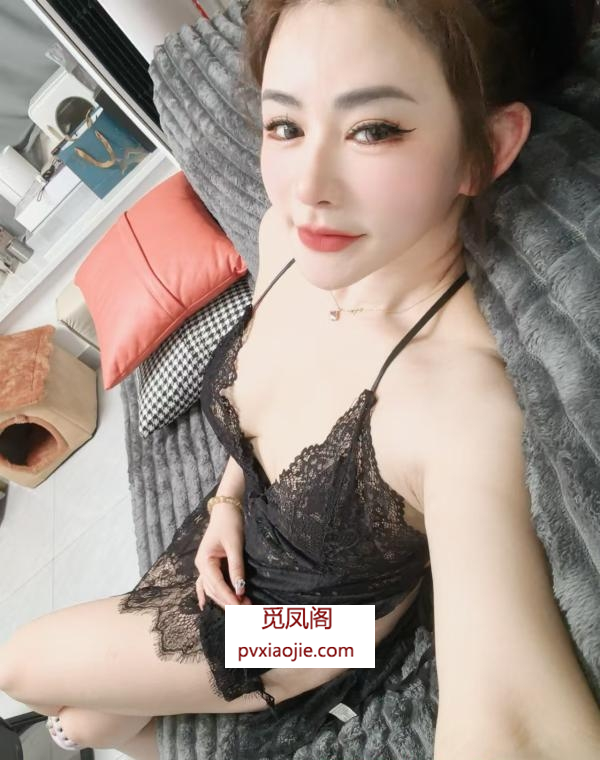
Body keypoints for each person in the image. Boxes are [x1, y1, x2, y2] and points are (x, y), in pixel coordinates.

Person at [1, 1, 600, 759]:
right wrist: (225, 501)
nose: (306, 187)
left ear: (487, 147)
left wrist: (316, 653)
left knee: (18, 662)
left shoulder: (452, 401)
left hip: (321, 634)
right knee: (89, 722)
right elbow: (263, 400)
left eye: (373, 129)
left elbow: (515, 719)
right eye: (285, 125)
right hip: (229, 543)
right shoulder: (285, 238)